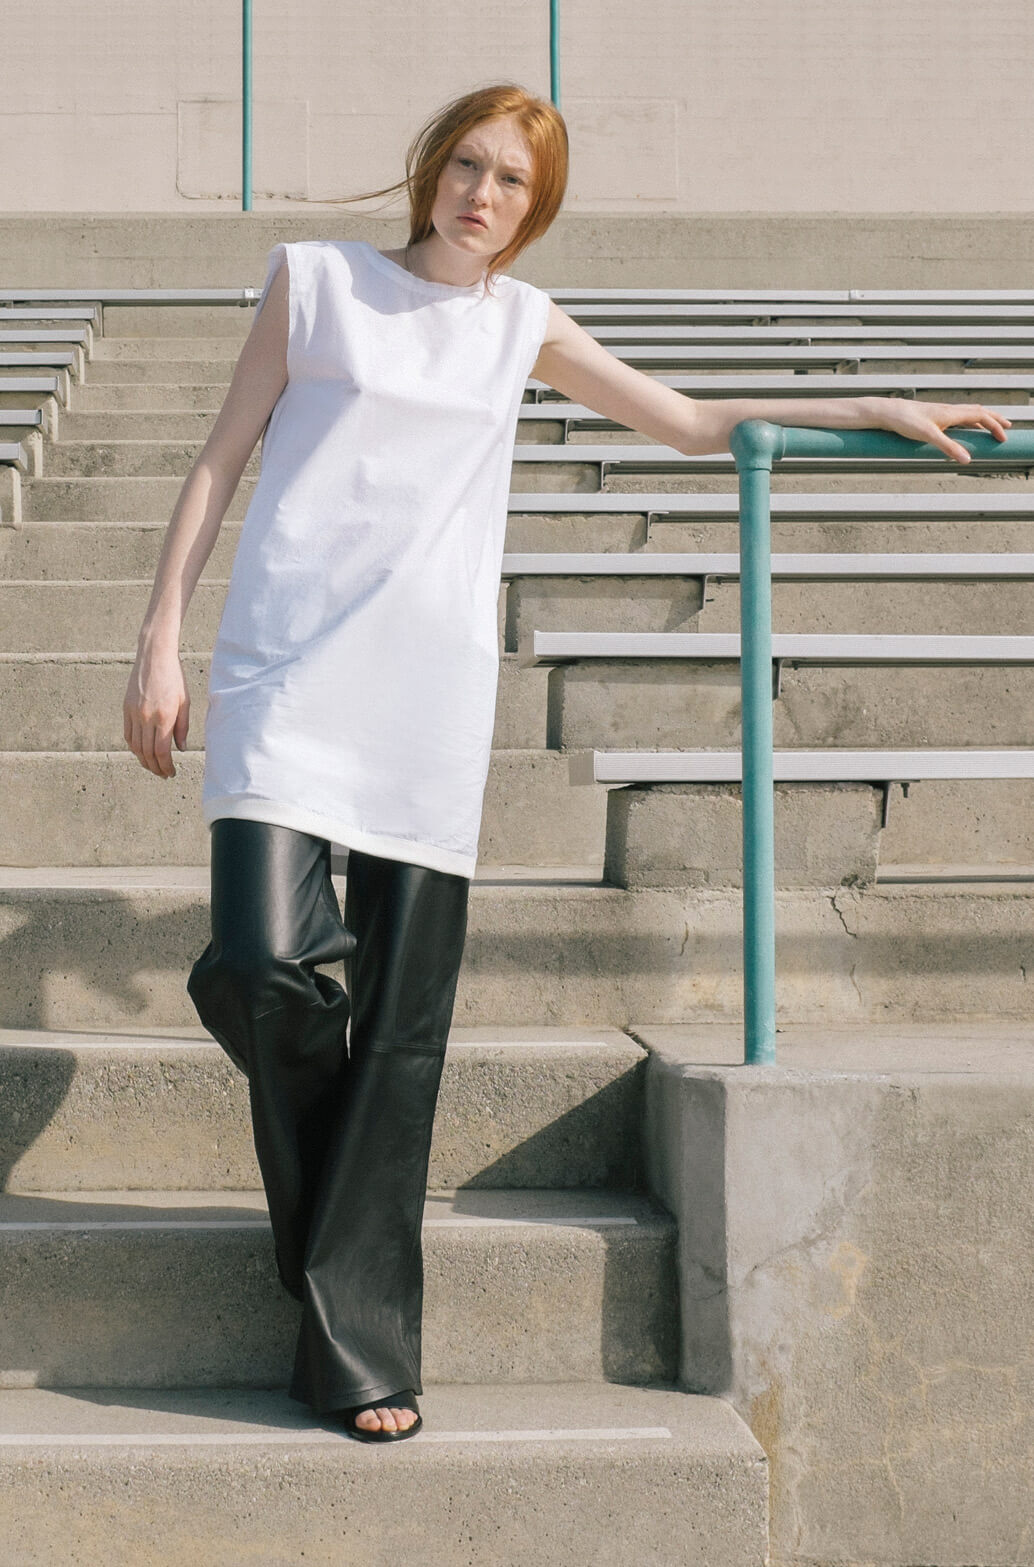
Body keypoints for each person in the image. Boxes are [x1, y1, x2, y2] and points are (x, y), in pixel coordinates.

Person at [123, 81, 1011, 1442]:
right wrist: (158, 642)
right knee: (258, 968)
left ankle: (360, 1356)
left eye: (513, 184)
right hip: (284, 674)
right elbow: (217, 461)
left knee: (400, 1032)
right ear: (430, 167)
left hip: (426, 693)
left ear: (535, 211)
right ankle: (339, 1239)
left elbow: (688, 422)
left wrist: (873, 402)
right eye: (467, 166)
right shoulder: (316, 283)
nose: (481, 195)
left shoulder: (521, 323)